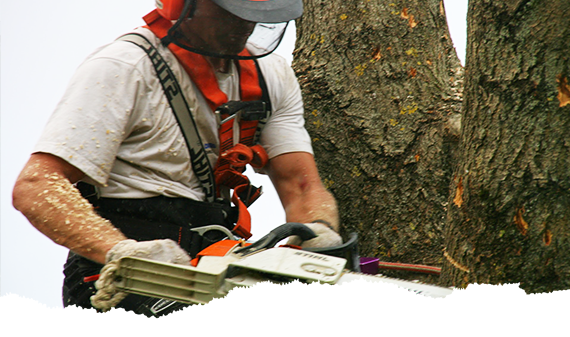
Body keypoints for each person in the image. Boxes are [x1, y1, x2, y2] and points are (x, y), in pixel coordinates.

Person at [12, 0, 341, 316]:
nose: (246, 24)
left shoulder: (270, 75)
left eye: (255, 13)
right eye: (232, 12)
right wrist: (123, 253)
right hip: (118, 268)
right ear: (183, 3)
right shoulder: (125, 67)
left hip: (211, 258)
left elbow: (300, 185)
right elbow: (37, 186)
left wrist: (319, 229)